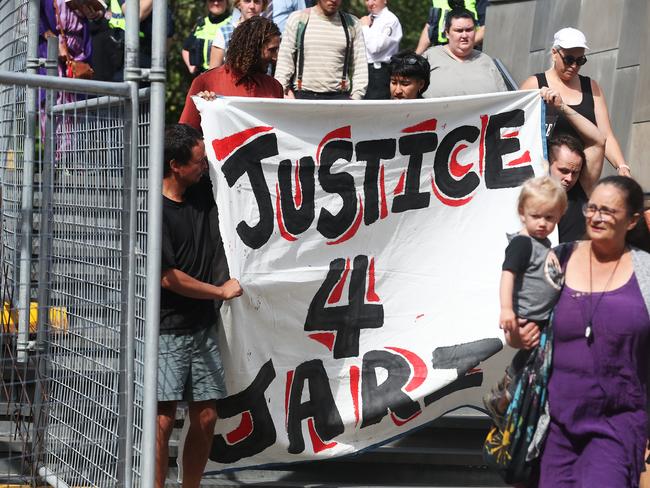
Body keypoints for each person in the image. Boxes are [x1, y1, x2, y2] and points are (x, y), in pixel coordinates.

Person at [506, 176, 650, 486]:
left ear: (633, 219)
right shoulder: (558, 257)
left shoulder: (646, 271)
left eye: (609, 210)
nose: (597, 217)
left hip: (618, 424)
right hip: (556, 424)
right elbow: (524, 317)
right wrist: (517, 336)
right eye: (592, 207)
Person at [156, 124, 243, 488]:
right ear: (176, 165)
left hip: (202, 327)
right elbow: (167, 277)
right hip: (165, 329)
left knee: (206, 417)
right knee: (161, 421)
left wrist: (211, 101)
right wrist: (219, 292)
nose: (205, 166)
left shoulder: (204, 191)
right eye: (198, 162)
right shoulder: (154, 210)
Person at [483, 176, 567, 427]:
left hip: (543, 318)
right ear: (522, 213)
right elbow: (507, 274)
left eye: (549, 218)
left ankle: (507, 396)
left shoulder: (545, 244)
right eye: (536, 216)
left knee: (535, 362)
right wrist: (506, 309)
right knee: (533, 362)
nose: (543, 223)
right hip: (528, 315)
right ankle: (502, 400)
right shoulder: (522, 243)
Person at [520, 27, 633, 177]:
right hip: (543, 177)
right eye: (569, 60)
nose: (574, 66)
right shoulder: (534, 84)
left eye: (580, 61)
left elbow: (606, 135)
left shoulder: (591, 87)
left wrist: (621, 166)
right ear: (554, 54)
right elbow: (517, 130)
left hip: (581, 177)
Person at [179, 16, 283, 132]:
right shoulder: (205, 82)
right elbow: (186, 136)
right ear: (254, 48)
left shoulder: (275, 87)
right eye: (272, 50)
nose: (276, 58)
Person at [540, 87, 606, 243]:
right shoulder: (532, 190)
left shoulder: (582, 186)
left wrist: (561, 106)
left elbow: (599, 141)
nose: (569, 178)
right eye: (563, 170)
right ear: (547, 164)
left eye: (574, 172)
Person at [274, 0, 368, 100]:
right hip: (303, 97)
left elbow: (360, 64)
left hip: (340, 98)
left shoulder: (352, 23)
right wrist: (282, 92)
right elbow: (285, 61)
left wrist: (356, 97)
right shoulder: (298, 19)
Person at [421, 6, 506, 98]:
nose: (464, 35)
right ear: (447, 33)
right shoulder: (430, 57)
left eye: (469, 30)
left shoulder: (486, 60)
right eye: (459, 30)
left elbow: (504, 99)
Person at [359, 0, 402, 100]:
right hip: (363, 71)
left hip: (379, 73)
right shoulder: (367, 19)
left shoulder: (390, 20)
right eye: (366, 0)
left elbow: (375, 47)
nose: (370, 3)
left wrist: (365, 27)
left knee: (375, 109)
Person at [208, 0, 267, 69]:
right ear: (238, 4)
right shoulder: (225, 31)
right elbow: (213, 71)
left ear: (263, 5)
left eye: (257, 2)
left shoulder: (269, 32)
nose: (252, 6)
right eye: (247, 1)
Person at [182, 0, 232, 76]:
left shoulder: (233, 24)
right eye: (212, 0)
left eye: (220, 0)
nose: (216, 3)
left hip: (223, 77)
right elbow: (186, 49)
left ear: (227, 3)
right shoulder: (201, 23)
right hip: (201, 77)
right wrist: (191, 68)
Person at [415, 0, 479, 54]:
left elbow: (485, 28)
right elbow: (431, 27)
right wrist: (416, 56)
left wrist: (463, 47)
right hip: (441, 49)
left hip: (470, 51)